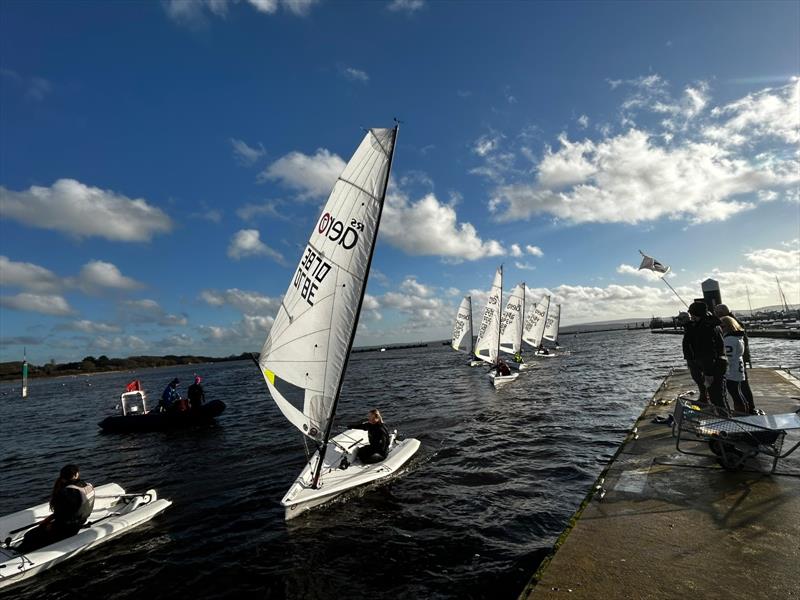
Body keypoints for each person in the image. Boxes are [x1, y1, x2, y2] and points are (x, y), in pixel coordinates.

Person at [18, 464, 95, 553]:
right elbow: (69, 511)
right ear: (76, 475)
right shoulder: (87, 486)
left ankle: (22, 552)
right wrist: (48, 520)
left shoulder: (67, 492)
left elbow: (61, 514)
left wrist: (47, 525)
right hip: (80, 522)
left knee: (29, 535)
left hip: (67, 529)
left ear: (62, 477)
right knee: (37, 533)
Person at [683, 301, 728, 412]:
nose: (691, 316)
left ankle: (725, 419)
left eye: (692, 313)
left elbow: (708, 352)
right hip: (717, 363)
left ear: (696, 313)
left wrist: (708, 374)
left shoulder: (706, 327)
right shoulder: (710, 324)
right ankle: (724, 417)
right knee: (717, 395)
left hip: (713, 366)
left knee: (716, 396)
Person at [720, 316, 757, 414]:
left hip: (732, 369)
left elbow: (729, 356)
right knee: (738, 391)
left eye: (722, 327)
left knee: (735, 392)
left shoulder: (729, 339)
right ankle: (745, 409)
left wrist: (724, 369)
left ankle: (741, 411)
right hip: (738, 367)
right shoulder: (738, 337)